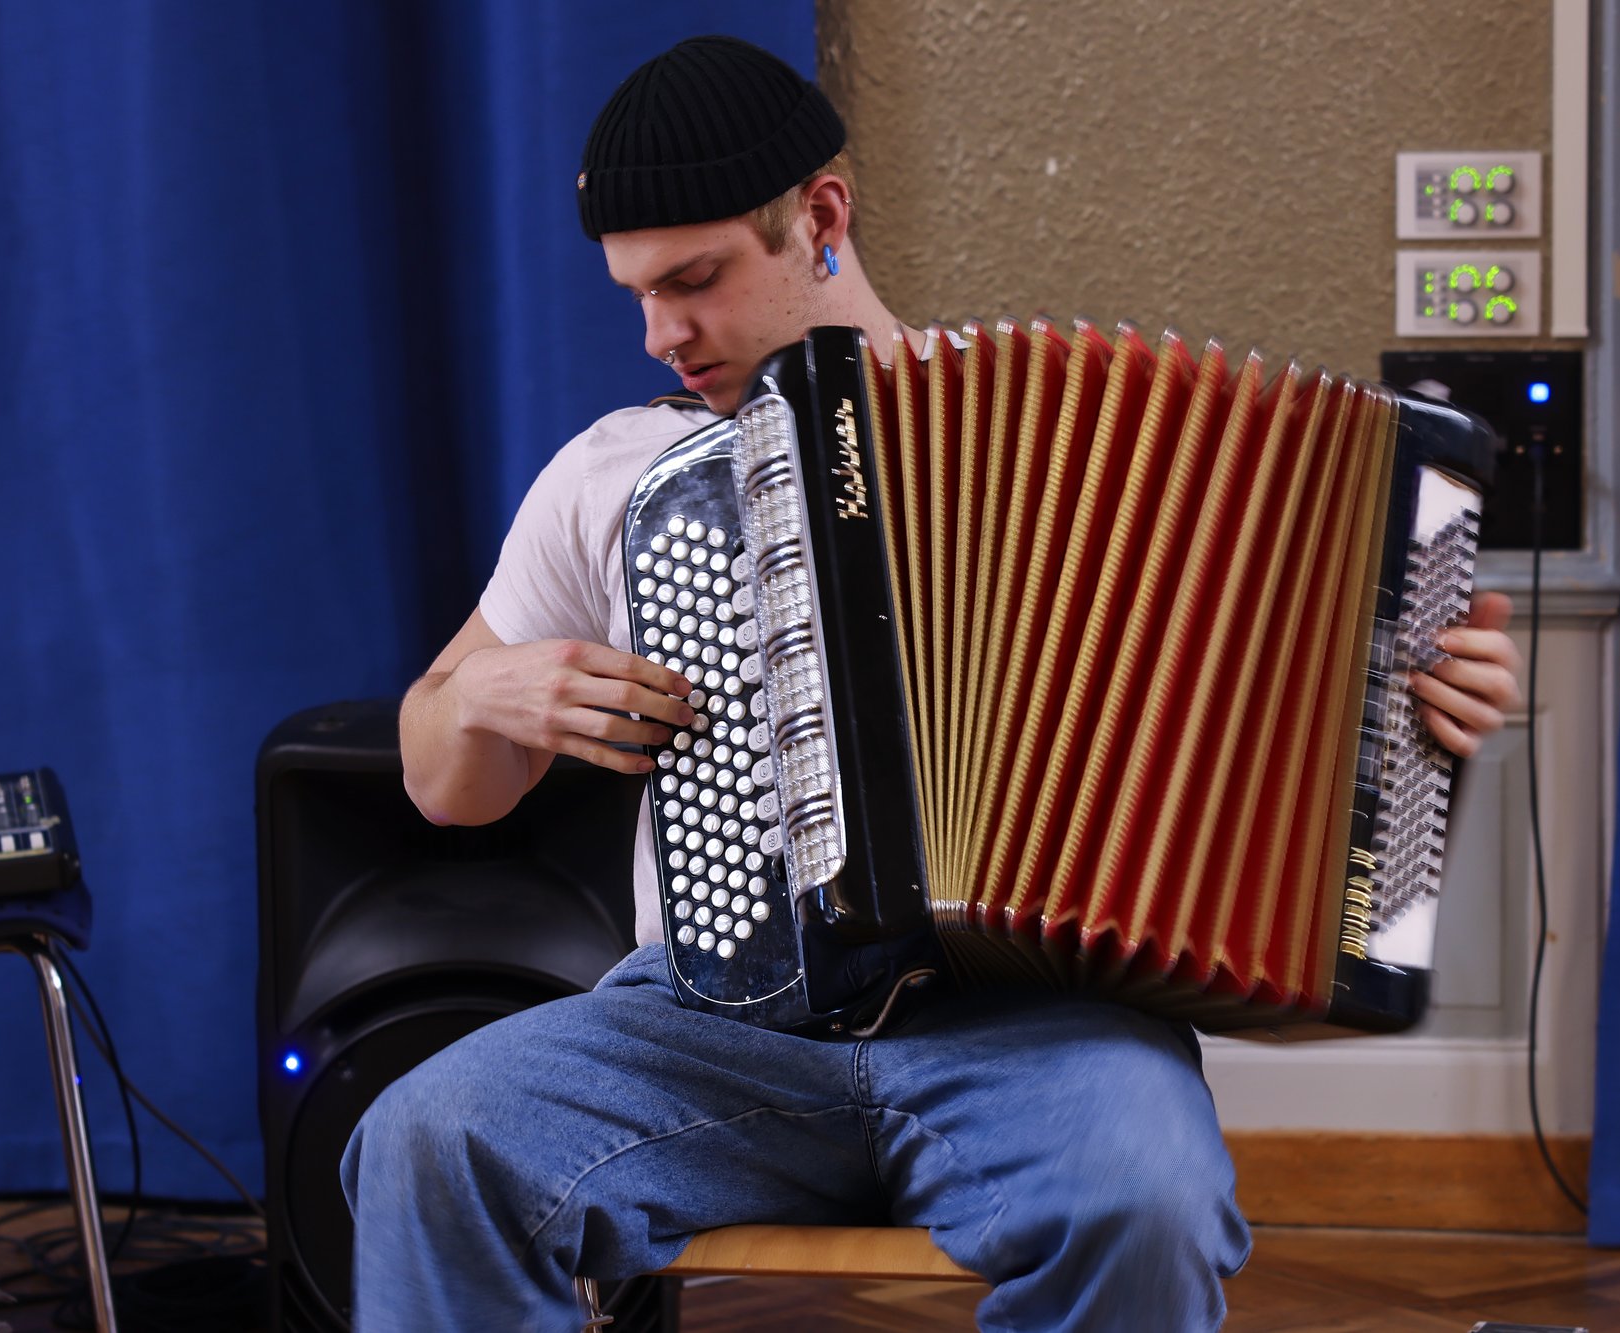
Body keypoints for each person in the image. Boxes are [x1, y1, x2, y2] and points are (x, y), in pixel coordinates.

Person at [341, 35, 1522, 1332]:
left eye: (695, 281)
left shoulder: (1061, 447)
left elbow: (1257, 695)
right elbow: (438, 779)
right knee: (425, 1139)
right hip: (709, 1021)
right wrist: (481, 700)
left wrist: (1415, 697)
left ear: (822, 219)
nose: (660, 336)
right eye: (633, 295)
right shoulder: (612, 476)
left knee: (1146, 1201)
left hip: (1025, 1024)